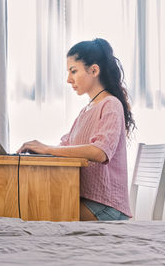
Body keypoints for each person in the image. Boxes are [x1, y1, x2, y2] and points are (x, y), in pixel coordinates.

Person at [17, 38, 136, 221]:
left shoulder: (111, 105)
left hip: (106, 206)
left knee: (37, 213)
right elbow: (66, 144)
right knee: (34, 205)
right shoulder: (86, 110)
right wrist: (41, 150)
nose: (68, 79)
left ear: (94, 70)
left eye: (73, 71)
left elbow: (100, 152)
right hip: (91, 201)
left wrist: (47, 149)